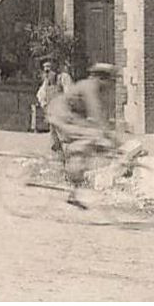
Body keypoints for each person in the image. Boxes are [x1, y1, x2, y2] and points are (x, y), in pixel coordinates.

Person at [44, 62, 121, 206]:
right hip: (60, 113)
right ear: (101, 78)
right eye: (110, 80)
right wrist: (111, 138)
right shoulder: (90, 87)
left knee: (89, 141)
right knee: (88, 138)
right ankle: (71, 173)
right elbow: (96, 114)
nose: (112, 84)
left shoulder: (95, 88)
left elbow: (100, 117)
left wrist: (107, 135)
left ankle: (74, 187)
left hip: (69, 115)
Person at [34, 59, 72, 142]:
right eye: (45, 69)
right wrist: (45, 105)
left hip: (63, 113)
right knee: (54, 141)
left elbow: (69, 94)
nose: (47, 72)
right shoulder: (47, 82)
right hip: (52, 114)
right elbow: (40, 94)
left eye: (50, 68)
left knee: (65, 139)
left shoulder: (63, 78)